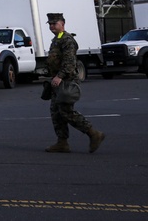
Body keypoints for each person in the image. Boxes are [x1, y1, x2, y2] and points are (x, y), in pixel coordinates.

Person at [44, 12, 106, 154]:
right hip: (57, 83)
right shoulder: (57, 39)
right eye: (50, 24)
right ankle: (62, 142)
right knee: (56, 113)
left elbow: (70, 62)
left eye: (55, 23)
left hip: (66, 81)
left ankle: (93, 133)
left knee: (66, 111)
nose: (52, 26)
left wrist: (60, 76)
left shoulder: (67, 40)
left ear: (63, 24)